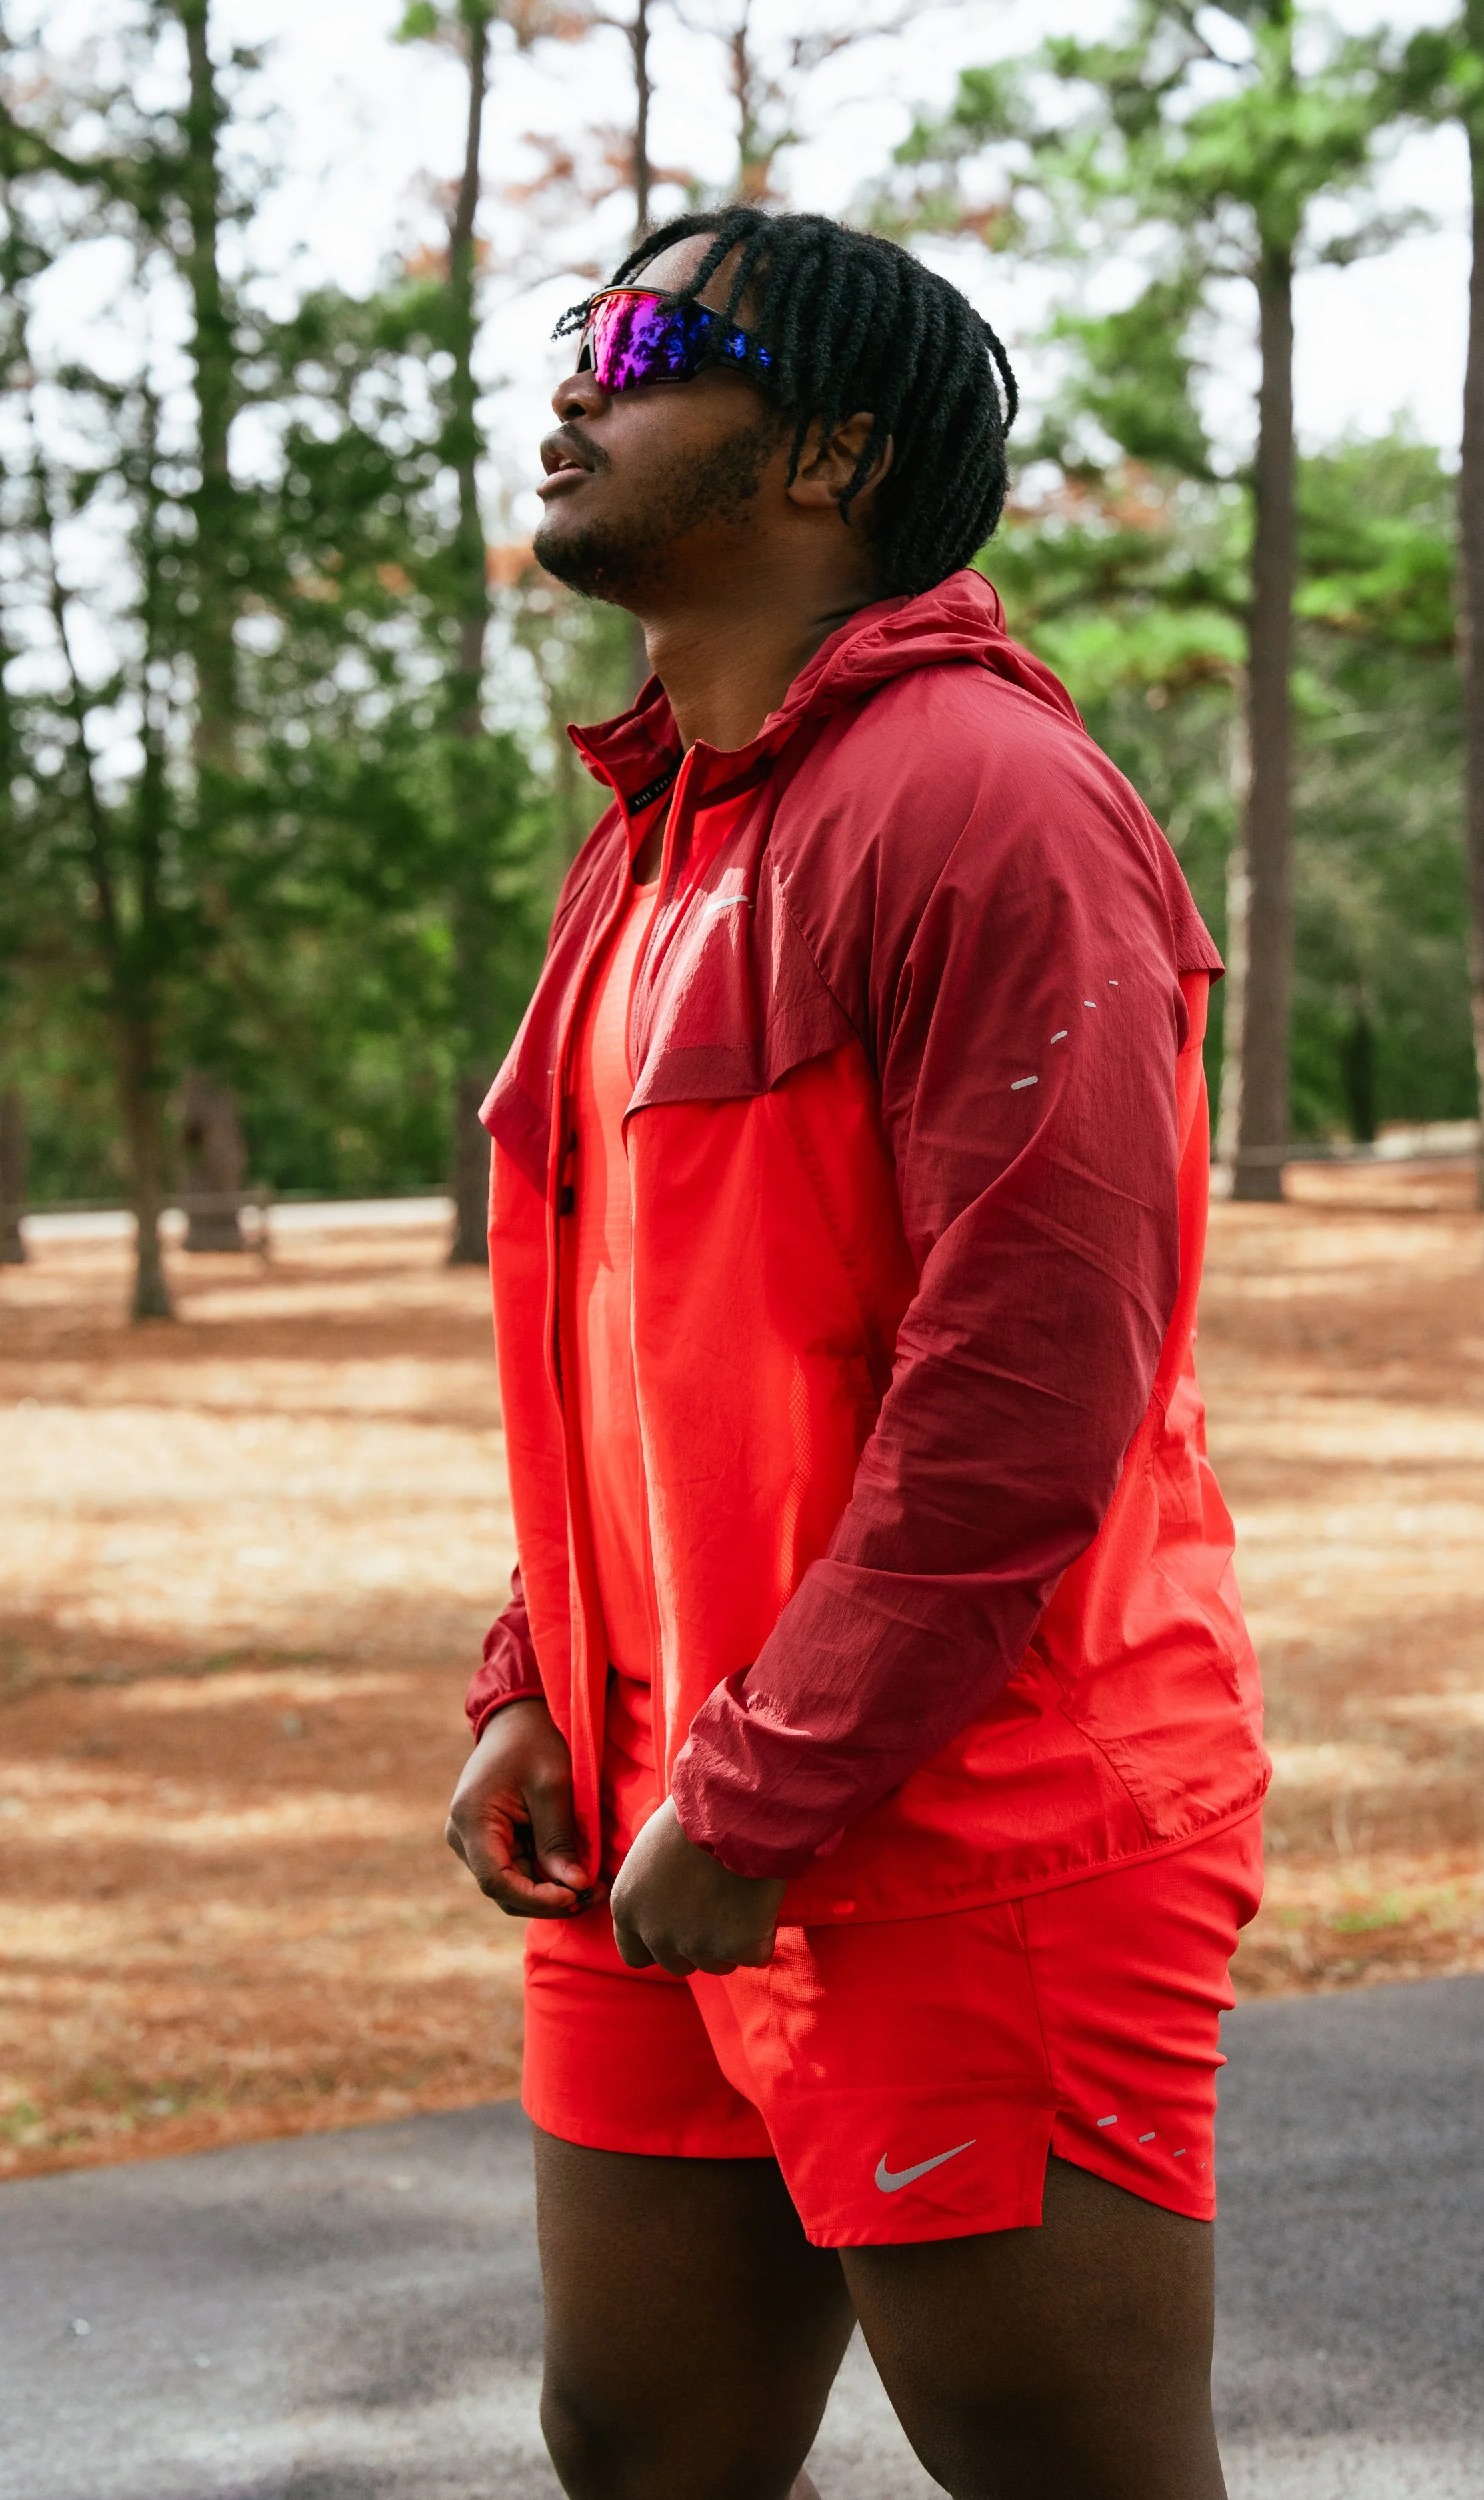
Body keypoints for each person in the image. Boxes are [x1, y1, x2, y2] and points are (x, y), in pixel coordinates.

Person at [445, 203, 1268, 2500]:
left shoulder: (980, 802)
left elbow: (1028, 1387)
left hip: (955, 1827)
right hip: (663, 1823)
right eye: (573, 332)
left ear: (829, 450)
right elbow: (637, 1351)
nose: (574, 381)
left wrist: (770, 1784)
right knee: (640, 2440)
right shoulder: (651, 842)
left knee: (1063, 2467)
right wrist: (541, 1668)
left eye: (646, 338)